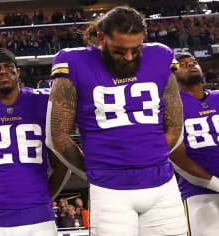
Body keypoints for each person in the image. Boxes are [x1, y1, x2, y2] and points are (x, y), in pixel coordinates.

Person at [46, 6, 187, 236]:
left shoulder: (160, 55)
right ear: (101, 38)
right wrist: (94, 169)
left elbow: (175, 124)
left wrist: (151, 157)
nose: (129, 57)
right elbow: (58, 137)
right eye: (120, 50)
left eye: (136, 49)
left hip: (162, 185)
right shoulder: (74, 61)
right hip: (109, 189)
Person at [0, 48, 69, 236]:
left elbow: (62, 163)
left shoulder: (43, 101)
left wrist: (43, 199)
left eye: (8, 67)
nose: (2, 71)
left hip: (40, 218)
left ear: (18, 72)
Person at [170, 52, 219, 236]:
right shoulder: (170, 106)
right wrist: (216, 184)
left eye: (194, 62)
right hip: (200, 193)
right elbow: (175, 154)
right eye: (184, 64)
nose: (191, 65)